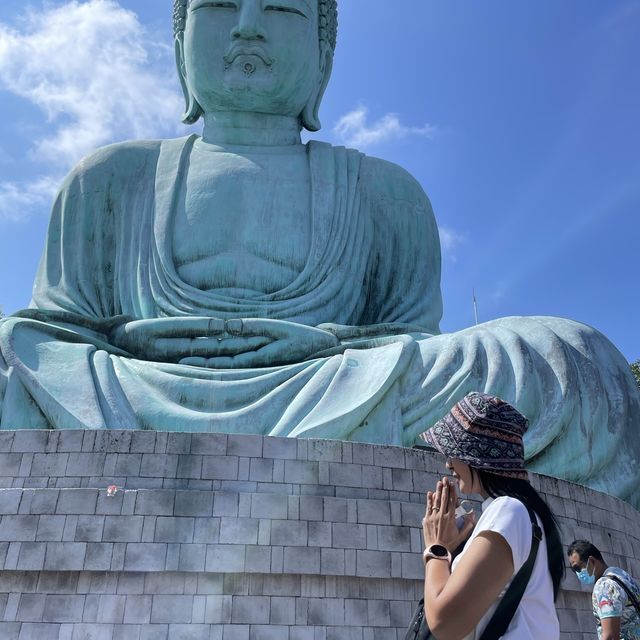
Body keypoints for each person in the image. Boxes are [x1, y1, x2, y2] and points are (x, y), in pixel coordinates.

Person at [0, 1, 639, 511]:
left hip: (340, 386)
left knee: (572, 359)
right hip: (130, 384)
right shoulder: (112, 176)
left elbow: (402, 343)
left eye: (282, 11)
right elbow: (55, 331)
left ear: (323, 54)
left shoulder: (384, 191)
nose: (248, 27)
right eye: (220, 6)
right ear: (178, 43)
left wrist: (324, 350)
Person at [418, 391, 564, 639]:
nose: (449, 464)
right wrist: (453, 548)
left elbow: (445, 624)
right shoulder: (515, 512)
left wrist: (437, 548)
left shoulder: (509, 510)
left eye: (454, 451)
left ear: (478, 454)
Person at [567, 539, 640, 640]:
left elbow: (610, 636)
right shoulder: (620, 574)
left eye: (577, 568)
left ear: (591, 561)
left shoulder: (604, 586)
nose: (578, 573)